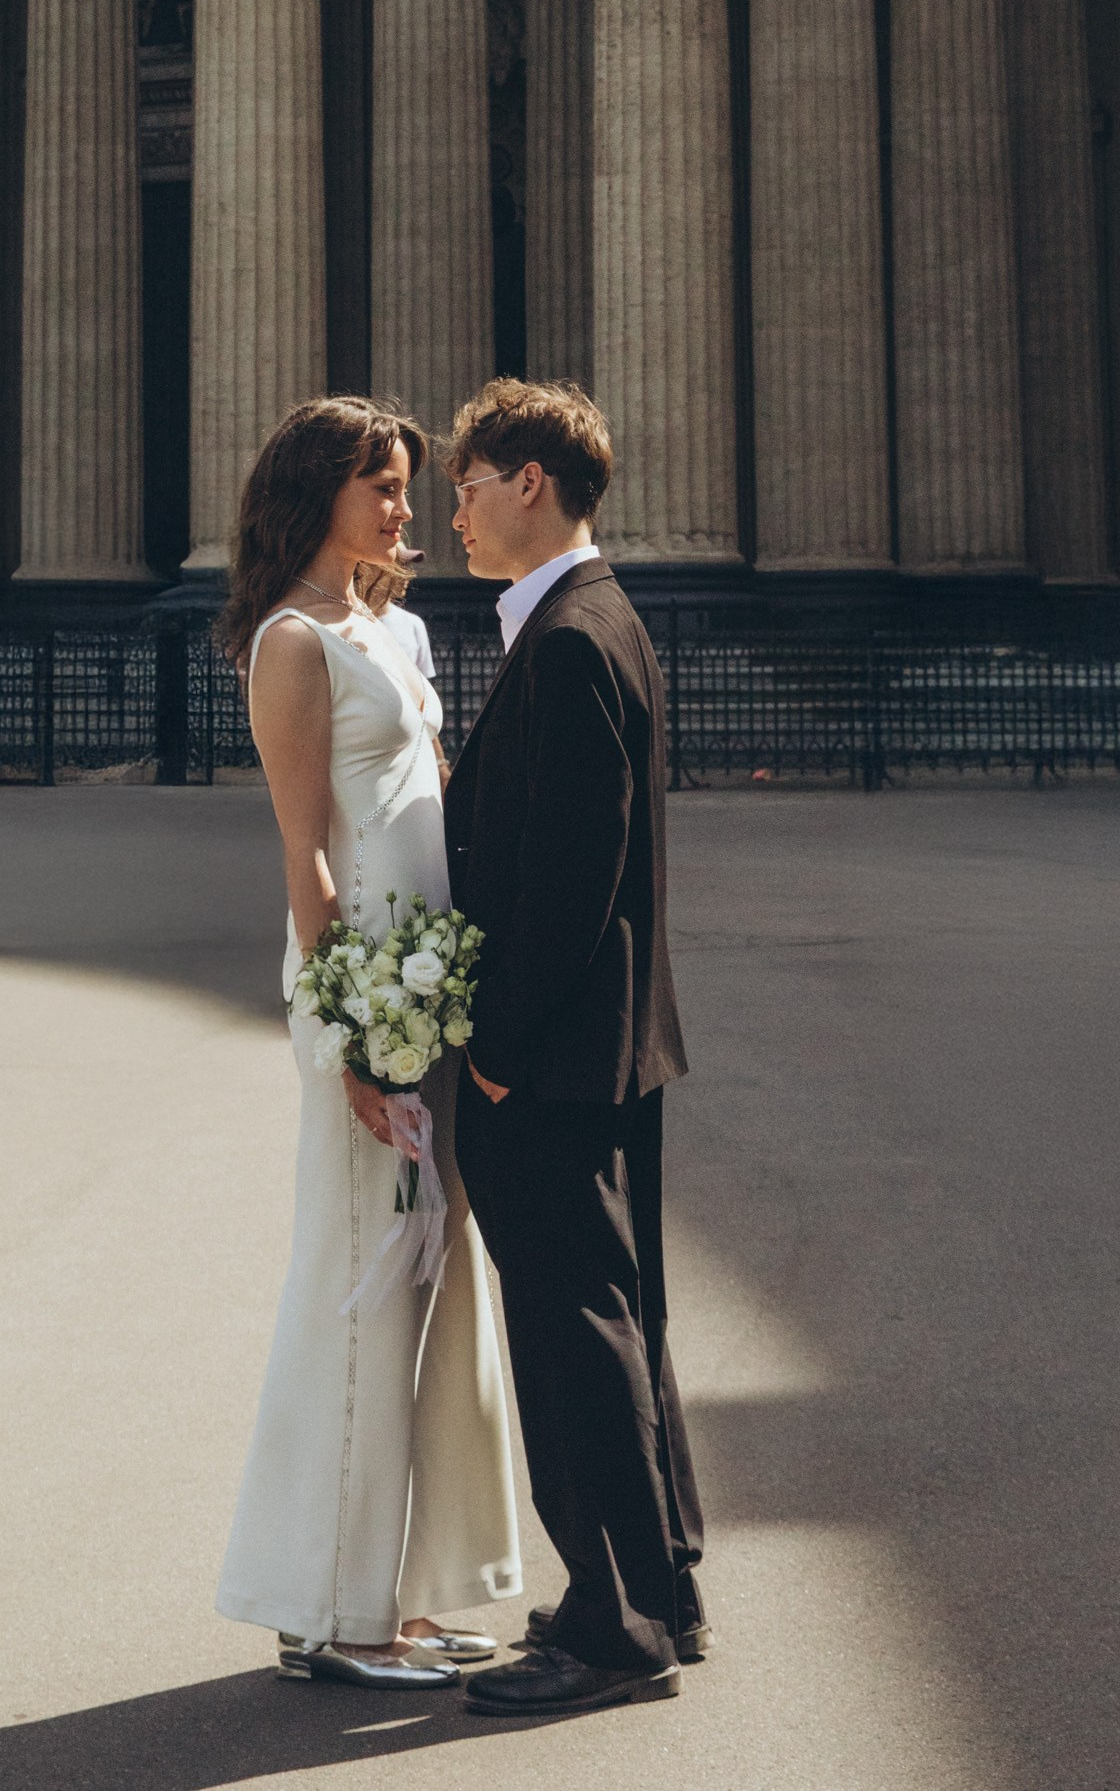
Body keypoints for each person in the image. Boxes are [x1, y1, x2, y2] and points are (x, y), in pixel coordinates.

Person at [215, 396, 522, 1688]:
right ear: (315, 493)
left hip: (431, 989)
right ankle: (331, 1615)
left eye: (404, 486)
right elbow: (306, 854)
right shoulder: (292, 643)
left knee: (432, 1281)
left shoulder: (393, 627)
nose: (403, 510)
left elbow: (436, 800)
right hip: (358, 999)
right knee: (356, 1280)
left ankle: (401, 1593)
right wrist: (348, 1031)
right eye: (380, 487)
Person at [441, 378, 708, 1720]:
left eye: (469, 486)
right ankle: (663, 1586)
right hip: (608, 1047)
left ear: (528, 482)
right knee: (622, 1318)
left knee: (570, 1333)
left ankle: (611, 1627)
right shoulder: (596, 620)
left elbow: (568, 874)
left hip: (547, 1060)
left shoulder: (561, 639)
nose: (455, 512)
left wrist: (488, 1044)